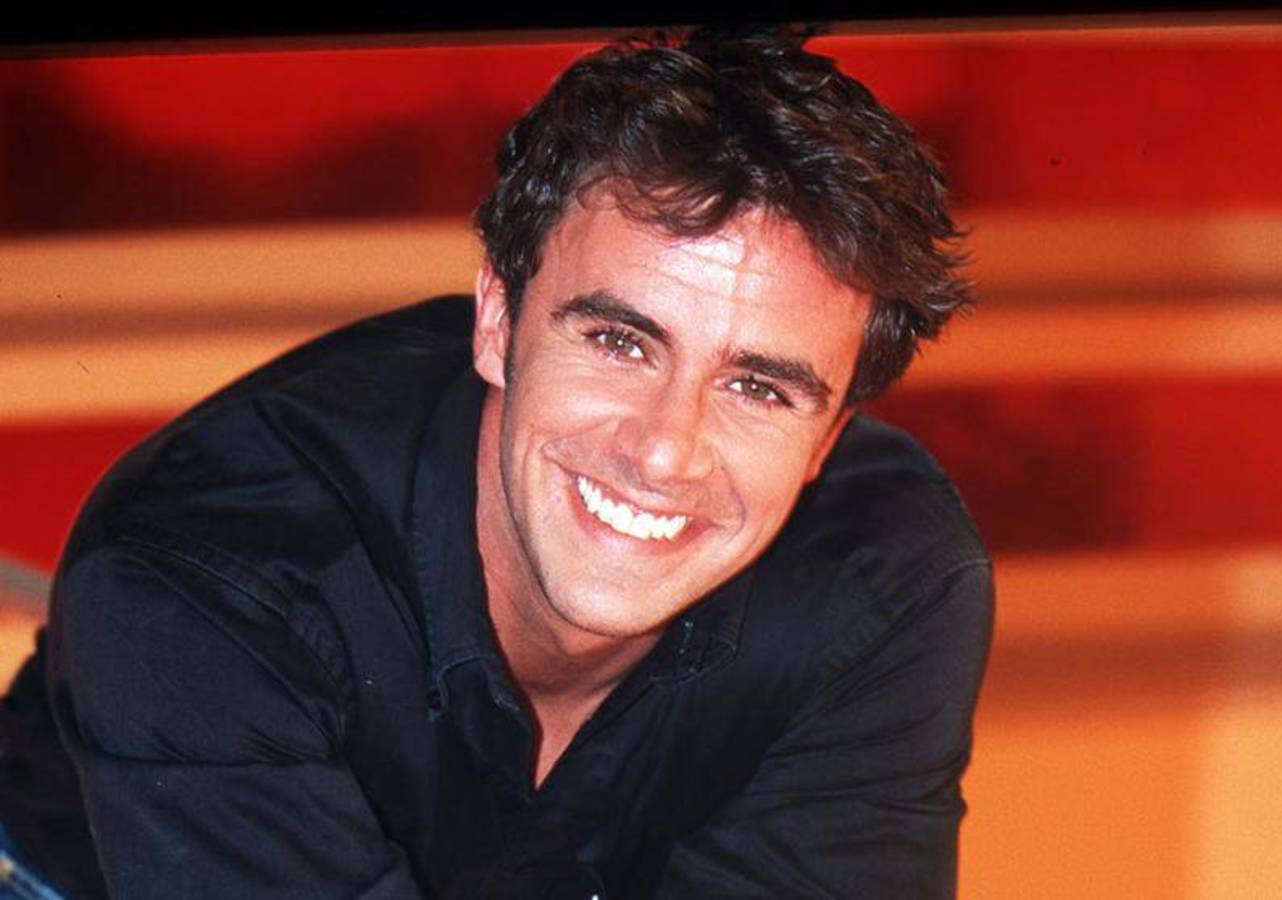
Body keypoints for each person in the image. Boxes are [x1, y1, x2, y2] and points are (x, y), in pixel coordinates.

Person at [0, 24, 992, 898]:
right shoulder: (204, 575)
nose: (663, 450)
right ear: (497, 319)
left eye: (758, 388)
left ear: (828, 438)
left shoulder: (887, 581)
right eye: (619, 342)